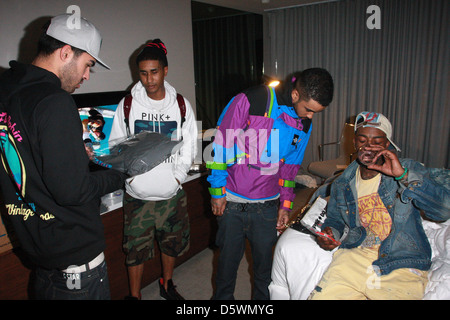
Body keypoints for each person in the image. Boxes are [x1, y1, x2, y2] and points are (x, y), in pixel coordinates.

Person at [0, 14, 127, 299]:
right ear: (66, 52)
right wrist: (120, 174)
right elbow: (73, 191)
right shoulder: (54, 101)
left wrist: (71, 155)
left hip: (41, 255)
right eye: (88, 66)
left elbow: (24, 153)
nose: (85, 76)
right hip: (77, 267)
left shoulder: (5, 89)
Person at [271, 111, 450, 300]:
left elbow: (443, 210)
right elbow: (335, 220)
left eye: (377, 141)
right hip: (355, 256)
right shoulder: (343, 182)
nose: (369, 147)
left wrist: (402, 176)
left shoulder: (406, 169)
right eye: (362, 140)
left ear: (387, 144)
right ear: (354, 142)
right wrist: (331, 233)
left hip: (401, 261)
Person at [208, 68, 334, 300]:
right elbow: (221, 144)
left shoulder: (303, 124)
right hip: (232, 203)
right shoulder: (254, 99)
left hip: (266, 207)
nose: (311, 117)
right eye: (309, 109)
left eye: (317, 112)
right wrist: (217, 190)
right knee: (226, 272)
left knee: (266, 275)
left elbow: (289, 169)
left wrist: (286, 204)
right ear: (295, 95)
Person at [109, 39, 197, 300]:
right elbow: (116, 144)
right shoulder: (128, 105)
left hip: (171, 194)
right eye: (143, 73)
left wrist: (177, 177)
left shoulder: (180, 105)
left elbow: (190, 145)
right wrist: (132, 177)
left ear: (165, 70)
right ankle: (135, 296)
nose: (149, 80)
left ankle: (167, 284)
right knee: (135, 250)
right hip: (138, 197)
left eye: (154, 72)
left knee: (171, 243)